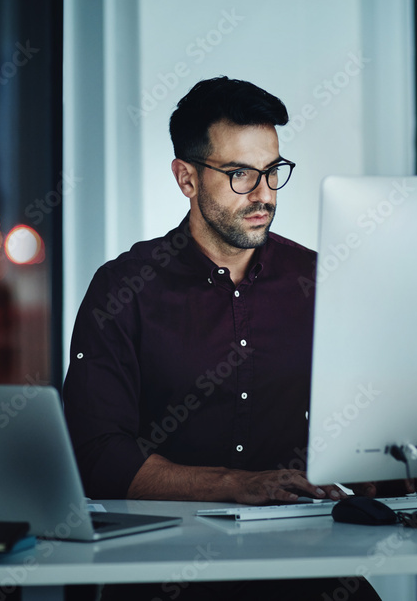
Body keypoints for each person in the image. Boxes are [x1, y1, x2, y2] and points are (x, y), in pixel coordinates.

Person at [63, 77, 383, 600]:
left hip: (300, 558)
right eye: (240, 174)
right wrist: (239, 484)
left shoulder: (317, 279)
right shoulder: (124, 288)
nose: (263, 195)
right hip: (162, 566)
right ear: (186, 178)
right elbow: (97, 454)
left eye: (272, 172)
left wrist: (380, 469)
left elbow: (363, 416)